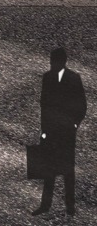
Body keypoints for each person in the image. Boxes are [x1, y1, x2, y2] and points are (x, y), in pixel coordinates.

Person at [38, 47, 87, 215]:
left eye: (54, 61)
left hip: (66, 131)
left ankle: (69, 206)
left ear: (62, 61)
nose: (52, 64)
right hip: (52, 130)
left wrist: (74, 124)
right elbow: (44, 105)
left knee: (68, 169)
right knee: (49, 168)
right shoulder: (47, 77)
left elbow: (82, 105)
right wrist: (44, 129)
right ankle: (46, 205)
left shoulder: (73, 78)